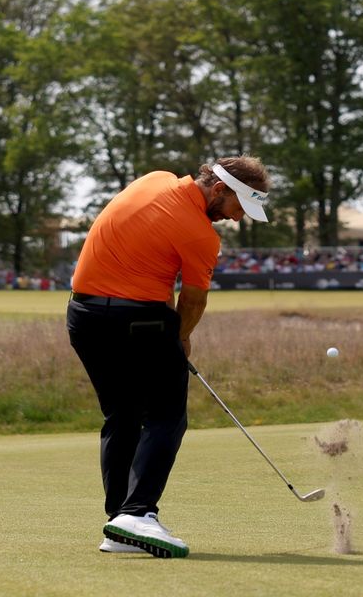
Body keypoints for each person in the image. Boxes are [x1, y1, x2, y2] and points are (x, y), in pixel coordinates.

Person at [67, 155, 271, 558]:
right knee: (165, 415)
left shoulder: (154, 179)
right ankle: (138, 512)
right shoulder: (201, 235)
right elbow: (193, 299)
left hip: (83, 316)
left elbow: (150, 258)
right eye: (237, 208)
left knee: (122, 416)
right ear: (219, 190)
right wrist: (180, 339)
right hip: (137, 322)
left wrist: (172, 336)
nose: (237, 219)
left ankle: (119, 524)